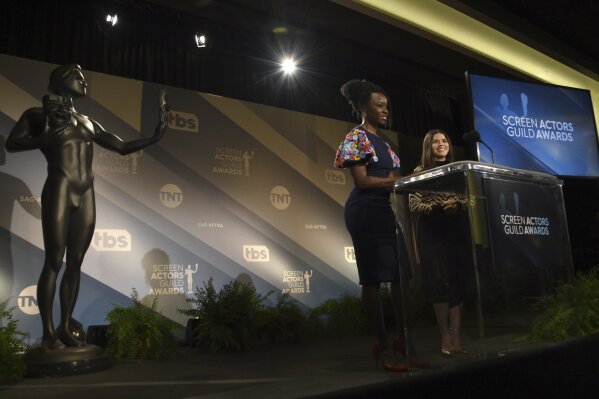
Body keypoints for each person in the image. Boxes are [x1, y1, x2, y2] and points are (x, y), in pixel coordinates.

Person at [5, 64, 168, 349]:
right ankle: (47, 333)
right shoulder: (38, 115)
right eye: (79, 78)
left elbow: (121, 146)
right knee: (54, 262)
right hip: (59, 188)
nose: (84, 83)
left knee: (75, 264)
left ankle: (66, 326)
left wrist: (155, 137)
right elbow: (12, 143)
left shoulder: (87, 121)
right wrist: (43, 139)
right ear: (63, 81)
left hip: (86, 193)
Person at [334, 79, 412, 372]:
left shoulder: (386, 143)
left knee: (400, 277)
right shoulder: (356, 138)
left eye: (386, 107)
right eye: (379, 105)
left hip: (384, 210)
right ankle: (381, 346)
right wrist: (398, 180)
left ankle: (403, 342)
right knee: (373, 280)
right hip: (364, 211)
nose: (384, 110)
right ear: (363, 107)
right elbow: (363, 181)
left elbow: (392, 181)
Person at [408, 129, 469, 357]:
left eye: (445, 140)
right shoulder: (421, 172)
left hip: (455, 231)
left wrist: (460, 204)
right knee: (439, 284)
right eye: (436, 141)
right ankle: (444, 334)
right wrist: (437, 207)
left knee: (457, 284)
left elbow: (469, 199)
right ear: (428, 146)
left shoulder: (457, 171)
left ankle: (457, 335)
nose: (441, 144)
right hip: (433, 232)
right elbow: (414, 205)